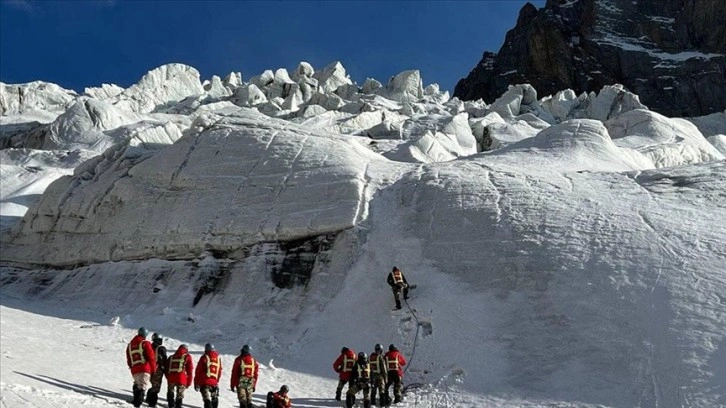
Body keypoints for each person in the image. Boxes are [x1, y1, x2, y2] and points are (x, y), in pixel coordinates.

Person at [126, 327, 157, 408]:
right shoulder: (145, 343)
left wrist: (132, 367)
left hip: (134, 369)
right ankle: (137, 403)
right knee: (142, 386)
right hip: (144, 368)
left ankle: (135, 401)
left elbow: (129, 359)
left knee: (136, 384)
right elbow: (151, 358)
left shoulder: (129, 346)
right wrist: (153, 370)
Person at [195, 343, 223, 408]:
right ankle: (214, 401)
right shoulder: (218, 359)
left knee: (206, 398)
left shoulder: (204, 357)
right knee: (214, 396)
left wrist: (196, 383)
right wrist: (216, 381)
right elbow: (219, 371)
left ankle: (208, 404)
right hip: (214, 382)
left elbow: (198, 371)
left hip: (204, 382)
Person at [166, 344, 194, 408]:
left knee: (170, 391)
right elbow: (190, 371)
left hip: (171, 378)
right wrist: (188, 382)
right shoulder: (187, 356)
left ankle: (171, 405)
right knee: (179, 395)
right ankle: (178, 406)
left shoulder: (171, 357)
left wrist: (168, 377)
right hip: (181, 378)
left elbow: (166, 369)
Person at [146, 333, 168, 407]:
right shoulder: (161, 349)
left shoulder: (149, 347)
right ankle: (152, 402)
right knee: (156, 387)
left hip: (148, 369)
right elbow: (165, 360)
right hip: (158, 370)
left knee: (153, 385)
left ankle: (148, 398)